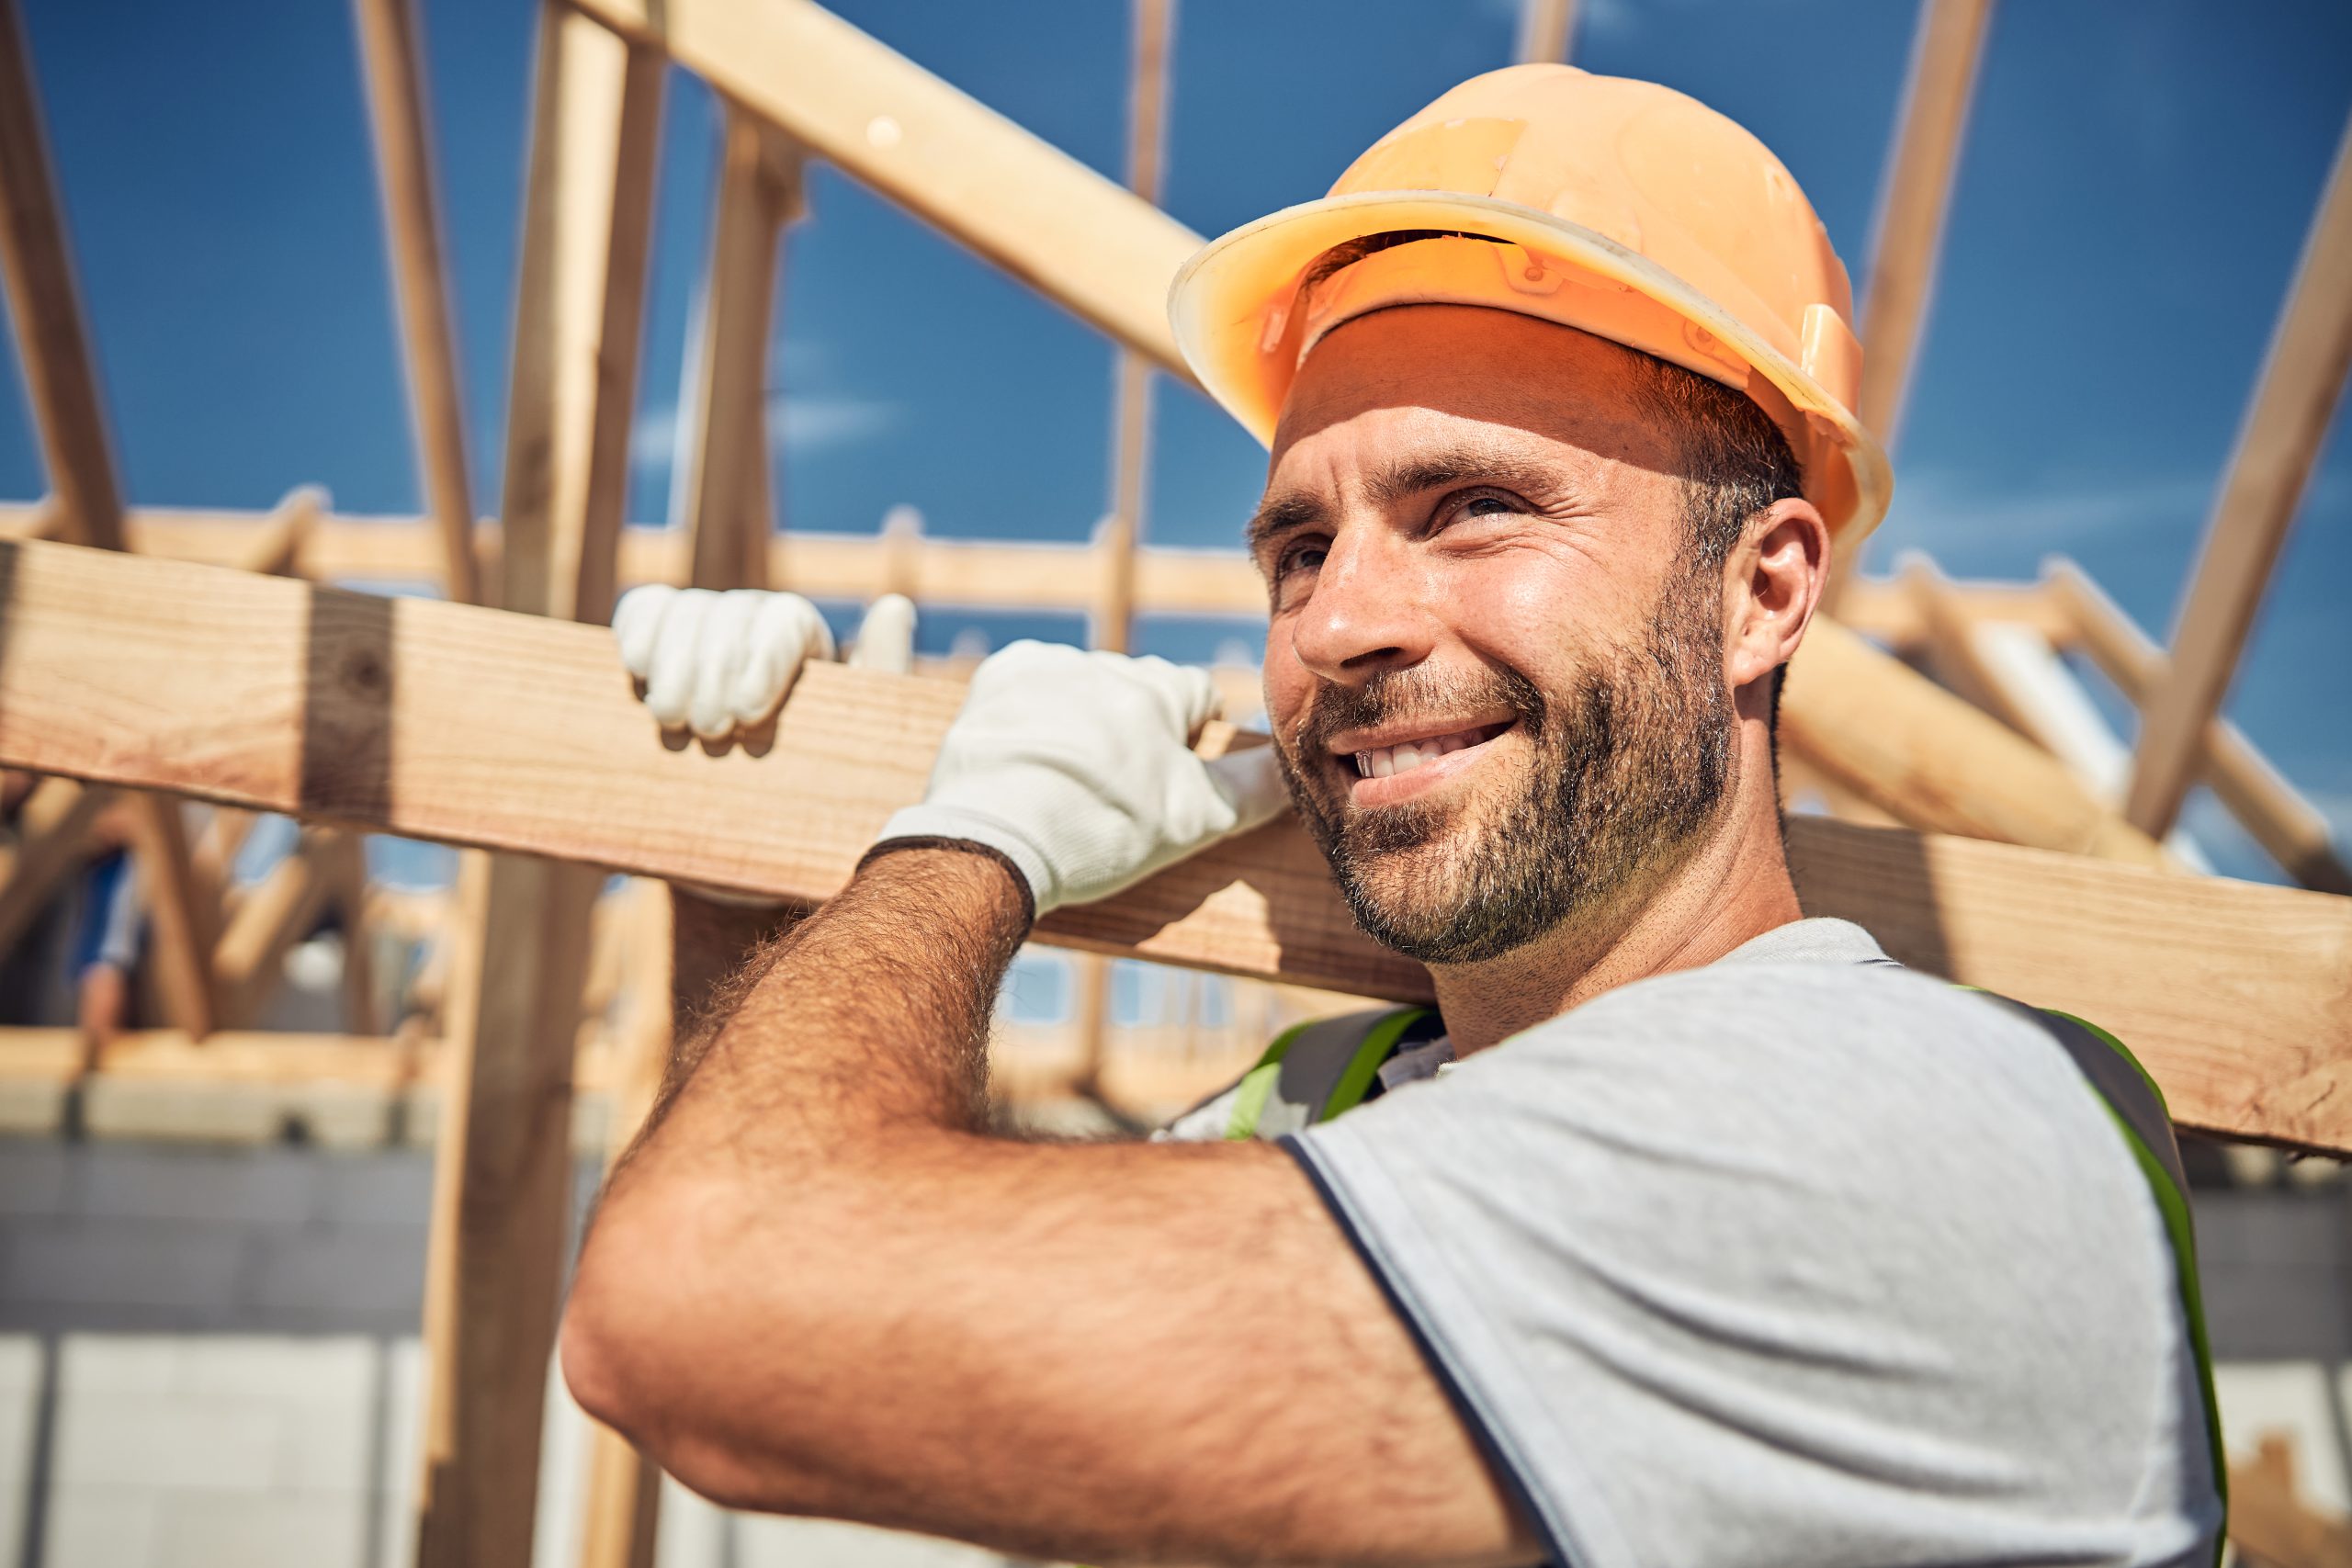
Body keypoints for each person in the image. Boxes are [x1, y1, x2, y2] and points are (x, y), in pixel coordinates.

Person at [564, 65, 2223, 1568]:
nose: (1340, 623)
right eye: (1300, 547)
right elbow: (845, 1267)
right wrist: (755, 885)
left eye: (1475, 507)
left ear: (1761, 592)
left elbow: (702, 1304)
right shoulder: (1323, 1104)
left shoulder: (1924, 1137)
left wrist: (955, 852)